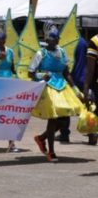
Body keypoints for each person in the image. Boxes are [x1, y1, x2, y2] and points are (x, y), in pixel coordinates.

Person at [29, 26, 84, 162]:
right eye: (52, 38)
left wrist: (76, 89)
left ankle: (41, 138)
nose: (55, 41)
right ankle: (51, 152)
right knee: (53, 119)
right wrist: (41, 74)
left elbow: (66, 72)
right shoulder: (41, 53)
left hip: (62, 86)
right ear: (47, 40)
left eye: (57, 39)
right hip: (48, 87)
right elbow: (31, 72)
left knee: (64, 121)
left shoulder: (62, 52)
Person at [57, 37, 87, 143]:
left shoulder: (70, 42)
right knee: (88, 106)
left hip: (72, 78)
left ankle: (64, 134)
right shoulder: (85, 42)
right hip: (85, 77)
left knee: (66, 108)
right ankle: (92, 133)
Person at [82, 35, 98, 146]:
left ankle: (93, 134)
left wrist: (86, 88)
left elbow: (90, 70)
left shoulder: (95, 41)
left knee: (94, 111)